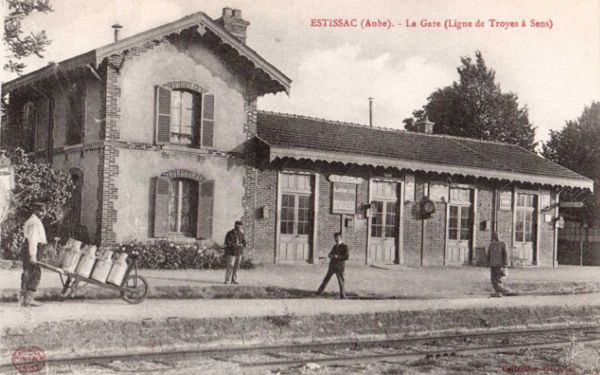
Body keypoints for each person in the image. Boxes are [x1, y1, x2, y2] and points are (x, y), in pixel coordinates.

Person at [19, 202, 48, 307]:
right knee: (34, 273)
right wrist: (33, 255)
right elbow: (33, 240)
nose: (44, 213)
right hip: (33, 249)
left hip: (32, 249)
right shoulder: (34, 223)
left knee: (28, 272)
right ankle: (28, 299)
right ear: (36, 210)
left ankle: (24, 299)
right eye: (42, 211)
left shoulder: (34, 221)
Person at [316, 232, 349, 299]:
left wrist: (337, 256)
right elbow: (330, 254)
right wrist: (331, 255)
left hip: (339, 267)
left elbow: (346, 257)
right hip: (332, 266)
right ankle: (319, 292)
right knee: (326, 280)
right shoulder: (334, 246)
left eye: (337, 237)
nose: (336, 239)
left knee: (341, 282)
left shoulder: (345, 246)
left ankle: (343, 296)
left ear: (340, 238)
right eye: (335, 238)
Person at [488, 232, 511, 297]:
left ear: (500, 236)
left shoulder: (503, 244)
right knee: (493, 279)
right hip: (492, 264)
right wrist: (488, 262)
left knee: (499, 279)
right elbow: (489, 254)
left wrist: (505, 265)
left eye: (497, 235)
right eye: (494, 235)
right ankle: (497, 291)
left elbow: (506, 254)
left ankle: (502, 291)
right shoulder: (491, 245)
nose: (496, 236)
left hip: (500, 265)